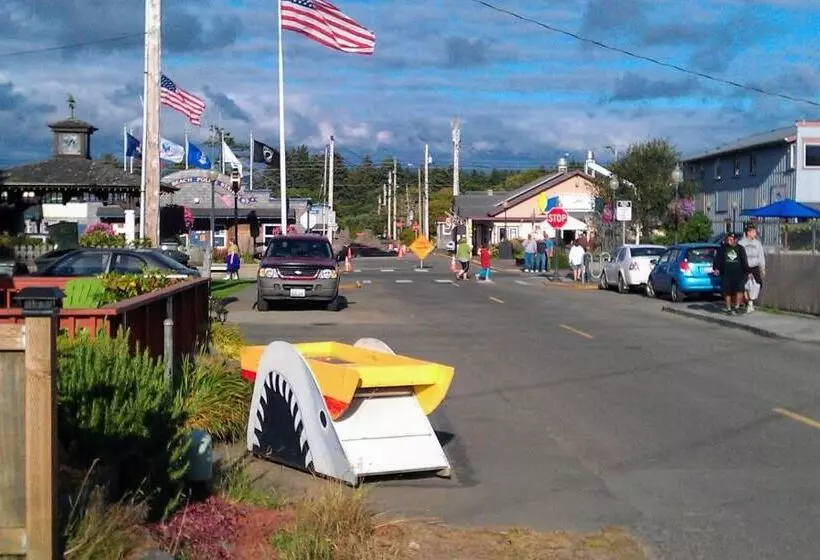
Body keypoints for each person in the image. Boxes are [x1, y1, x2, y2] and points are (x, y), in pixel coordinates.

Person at [713, 232, 749, 315]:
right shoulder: (723, 249)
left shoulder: (740, 249)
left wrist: (747, 272)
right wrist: (716, 268)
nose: (729, 241)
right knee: (727, 291)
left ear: (735, 240)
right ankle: (729, 308)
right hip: (726, 274)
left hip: (739, 274)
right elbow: (717, 259)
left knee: (739, 290)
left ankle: (737, 307)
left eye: (731, 239)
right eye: (728, 239)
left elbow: (744, 260)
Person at [738, 223, 765, 312]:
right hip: (745, 267)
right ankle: (749, 303)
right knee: (745, 286)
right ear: (748, 233)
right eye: (753, 232)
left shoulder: (757, 243)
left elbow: (761, 256)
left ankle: (750, 301)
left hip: (755, 266)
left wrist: (763, 268)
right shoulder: (741, 243)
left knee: (758, 285)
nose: (755, 233)